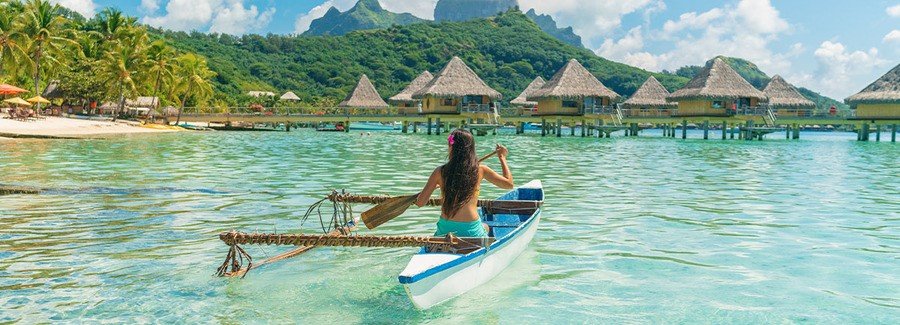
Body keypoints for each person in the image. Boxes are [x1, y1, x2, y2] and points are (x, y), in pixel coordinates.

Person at [416, 129, 514, 238]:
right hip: (471, 231)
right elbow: (509, 184)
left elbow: (420, 203)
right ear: (471, 149)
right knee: (486, 226)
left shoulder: (439, 171)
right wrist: (502, 157)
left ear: (451, 147)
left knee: (484, 226)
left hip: (445, 230)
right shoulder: (480, 170)